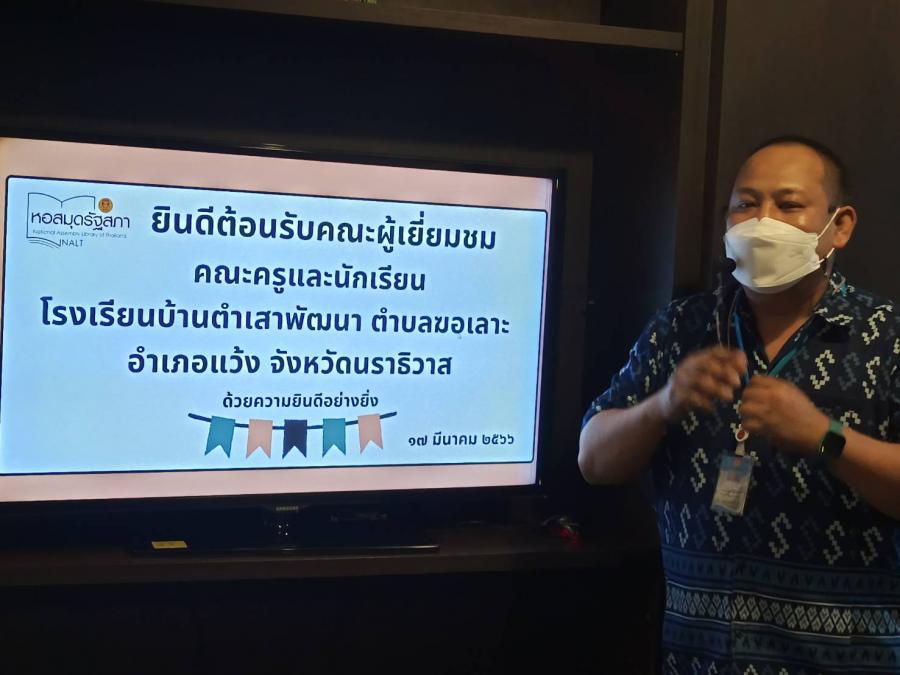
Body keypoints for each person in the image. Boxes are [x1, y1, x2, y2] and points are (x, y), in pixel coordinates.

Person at [579, 136, 900, 674]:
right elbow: (593, 460)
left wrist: (824, 438)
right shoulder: (682, 327)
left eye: (788, 205)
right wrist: (662, 405)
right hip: (697, 657)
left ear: (839, 225)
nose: (762, 221)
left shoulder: (888, 338)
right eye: (746, 204)